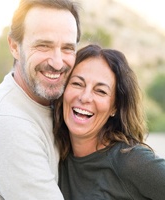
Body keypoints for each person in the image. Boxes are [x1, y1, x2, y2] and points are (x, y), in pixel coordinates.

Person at [0, 0, 81, 199]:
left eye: (68, 48)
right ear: (14, 46)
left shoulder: (53, 107)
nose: (57, 62)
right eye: (43, 45)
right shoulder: (6, 124)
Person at [54, 44, 165, 200]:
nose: (85, 97)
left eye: (100, 91)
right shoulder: (52, 153)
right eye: (77, 84)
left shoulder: (130, 161)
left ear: (115, 107)